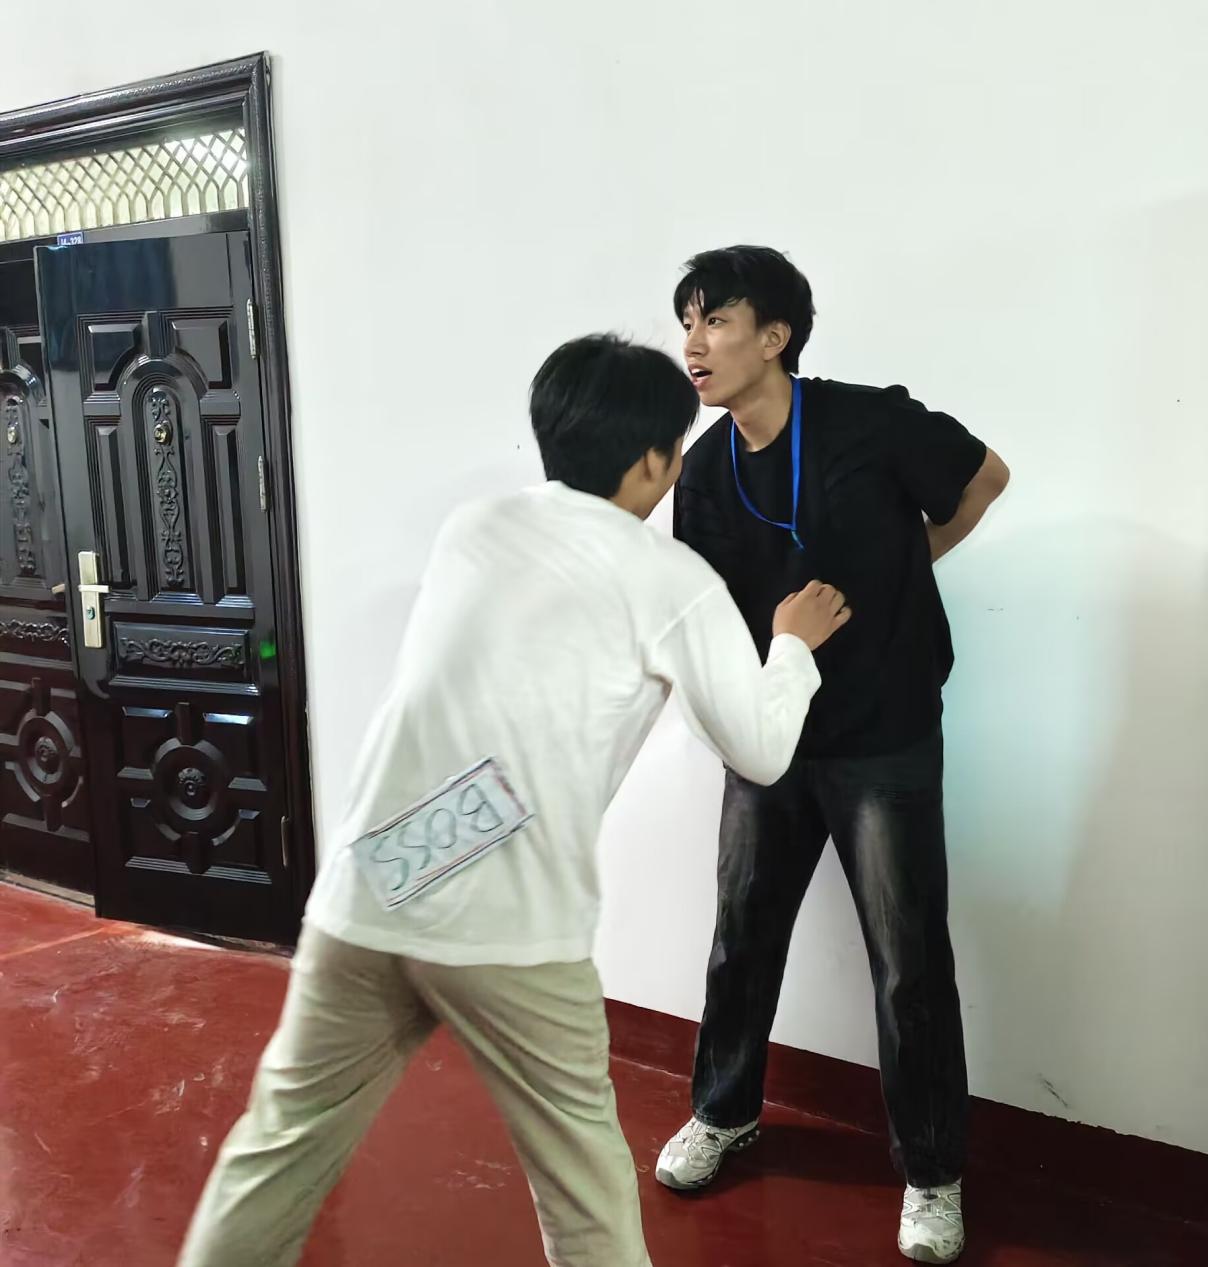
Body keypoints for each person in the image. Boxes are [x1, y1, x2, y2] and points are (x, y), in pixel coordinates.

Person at [177, 333, 851, 1267]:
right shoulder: (671, 580)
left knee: (275, 1151)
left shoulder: (473, 528)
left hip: (371, 889)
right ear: (654, 460)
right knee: (585, 1193)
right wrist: (791, 646)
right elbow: (762, 752)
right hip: (513, 926)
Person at [655, 246, 1010, 1265]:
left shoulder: (866, 421)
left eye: (716, 320)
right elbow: (708, 614)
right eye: (686, 322)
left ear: (775, 336)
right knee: (740, 936)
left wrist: (907, 564)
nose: (693, 343)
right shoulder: (705, 468)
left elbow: (983, 478)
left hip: (882, 734)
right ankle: (724, 1111)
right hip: (770, 738)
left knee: (907, 961)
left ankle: (931, 1170)